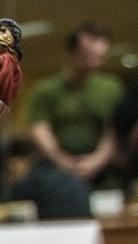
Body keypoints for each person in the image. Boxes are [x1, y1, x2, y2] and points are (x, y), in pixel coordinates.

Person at [26, 23, 124, 188]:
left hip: (103, 171)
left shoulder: (112, 87)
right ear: (70, 53)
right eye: (86, 57)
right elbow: (39, 129)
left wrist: (97, 161)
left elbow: (114, 130)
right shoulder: (46, 89)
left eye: (99, 58)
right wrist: (62, 160)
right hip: (56, 169)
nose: (93, 64)